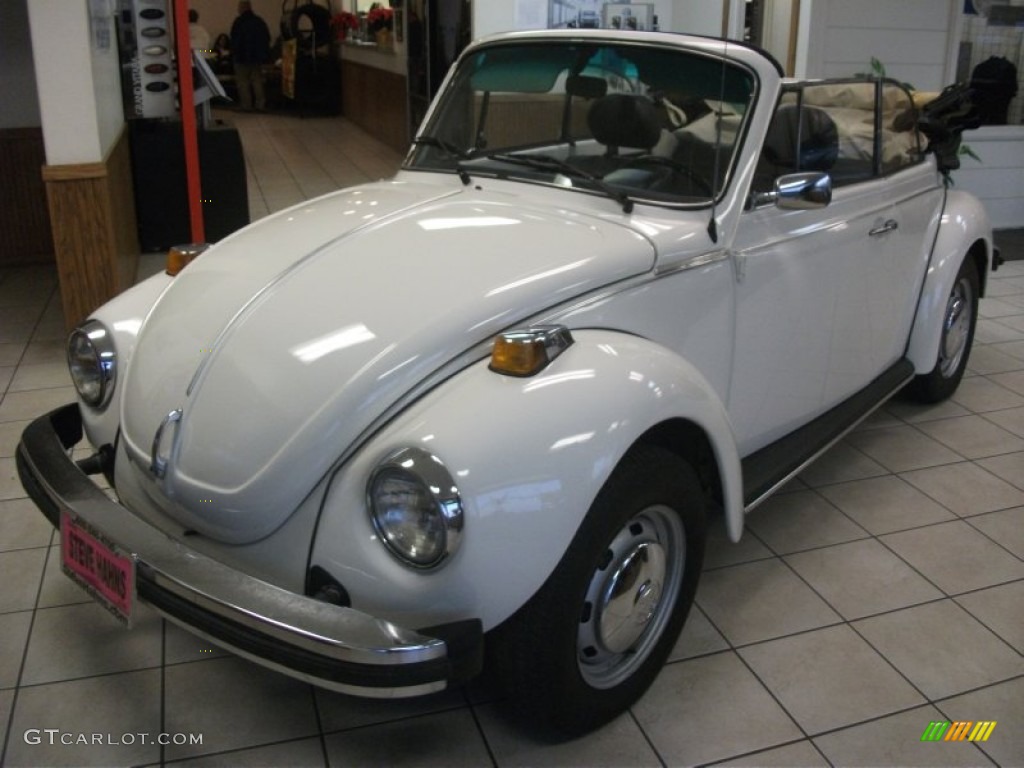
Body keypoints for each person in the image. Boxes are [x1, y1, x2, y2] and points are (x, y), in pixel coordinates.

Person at [230, 1, 271, 111]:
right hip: (257, 57)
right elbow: (266, 38)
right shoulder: (259, 21)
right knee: (257, 81)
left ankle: (246, 105)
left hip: (241, 57)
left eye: (239, 7)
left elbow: (234, 40)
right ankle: (260, 104)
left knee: (243, 83)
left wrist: (234, 53)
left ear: (243, 8)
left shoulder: (239, 22)